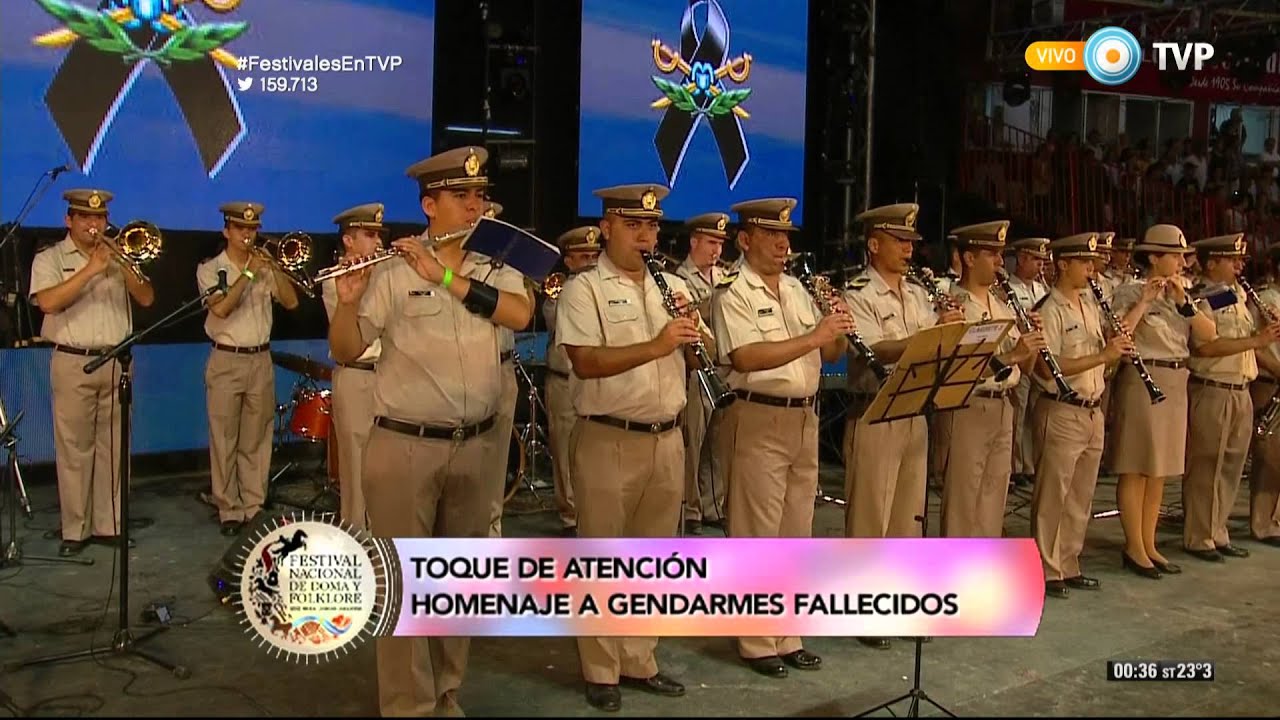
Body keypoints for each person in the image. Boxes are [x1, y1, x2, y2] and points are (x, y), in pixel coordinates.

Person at [328, 146, 534, 717]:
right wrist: (347, 305)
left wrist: (444, 275)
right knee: (403, 588)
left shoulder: (498, 266)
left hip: (478, 445)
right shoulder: (391, 273)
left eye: (479, 195)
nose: (476, 205)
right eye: (461, 196)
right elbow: (346, 349)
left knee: (458, 585)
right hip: (405, 445)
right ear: (429, 204)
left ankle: (446, 695)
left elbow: (519, 316)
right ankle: (407, 706)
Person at [555, 183, 701, 711]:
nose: (647, 236)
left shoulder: (671, 288)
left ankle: (639, 658)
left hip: (667, 436)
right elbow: (586, 362)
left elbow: (687, 357)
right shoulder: (584, 289)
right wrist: (659, 343)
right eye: (635, 226)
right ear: (607, 228)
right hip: (609, 435)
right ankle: (601, 668)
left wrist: (689, 341)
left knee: (652, 561)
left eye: (653, 226)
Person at [712, 197, 848, 677]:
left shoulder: (796, 287)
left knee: (796, 532)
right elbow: (745, 357)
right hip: (758, 415)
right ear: (745, 240)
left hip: (804, 418)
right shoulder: (734, 291)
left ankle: (787, 633)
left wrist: (838, 324)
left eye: (786, 236)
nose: (781, 245)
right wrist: (815, 336)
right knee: (757, 534)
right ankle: (755, 640)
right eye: (771, 236)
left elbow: (829, 353)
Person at [842, 203, 963, 650]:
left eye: (911, 242)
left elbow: (933, 348)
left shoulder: (918, 292)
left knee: (907, 519)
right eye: (899, 241)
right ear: (874, 245)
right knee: (871, 516)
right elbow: (871, 348)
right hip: (874, 410)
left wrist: (952, 330)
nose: (908, 250)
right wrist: (926, 338)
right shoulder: (857, 292)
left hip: (915, 410)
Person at [1110, 224, 1246, 576]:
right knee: (1137, 464)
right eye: (1173, 255)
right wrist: (1145, 301)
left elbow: (1208, 333)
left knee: (1161, 469)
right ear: (1154, 257)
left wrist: (1182, 302)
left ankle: (1149, 542)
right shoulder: (1128, 291)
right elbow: (1119, 332)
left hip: (1176, 376)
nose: (1181, 262)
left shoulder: (1187, 294)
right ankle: (1133, 546)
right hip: (1143, 375)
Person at [29, 189, 155, 556]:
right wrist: (90, 270)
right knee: (75, 450)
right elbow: (48, 302)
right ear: (69, 220)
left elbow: (147, 298)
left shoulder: (118, 254)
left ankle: (109, 524)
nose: (94, 225)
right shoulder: (51, 258)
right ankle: (75, 529)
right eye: (85, 218)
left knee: (114, 447)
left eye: (99, 218)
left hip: (117, 361)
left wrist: (124, 265)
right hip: (73, 361)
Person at [1032, 232, 1131, 598]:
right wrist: (1103, 356)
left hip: (1092, 409)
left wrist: (1114, 346)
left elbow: (1105, 350)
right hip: (1062, 408)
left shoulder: (1091, 303)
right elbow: (1048, 367)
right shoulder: (1049, 308)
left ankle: (1069, 561)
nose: (1093, 268)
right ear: (1063, 264)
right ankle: (1045, 568)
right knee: (1052, 495)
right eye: (1085, 263)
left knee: (1081, 495)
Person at [197, 201, 300, 536]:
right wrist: (251, 272)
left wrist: (276, 270)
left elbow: (292, 302)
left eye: (252, 229)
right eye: (241, 229)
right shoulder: (210, 269)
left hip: (260, 358)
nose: (247, 235)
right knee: (225, 437)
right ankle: (228, 507)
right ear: (227, 230)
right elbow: (222, 309)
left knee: (257, 436)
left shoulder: (265, 266)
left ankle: (254, 504)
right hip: (227, 357)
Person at [939, 221, 1044, 538]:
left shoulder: (1002, 303)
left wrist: (1033, 340)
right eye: (992, 254)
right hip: (970, 404)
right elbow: (958, 369)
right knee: (963, 501)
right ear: (969, 258)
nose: (1001, 262)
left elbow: (1026, 370)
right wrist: (1012, 356)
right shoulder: (952, 304)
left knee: (993, 500)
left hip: (1004, 404)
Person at [1183, 234, 1280, 561]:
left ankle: (1217, 530)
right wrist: (1257, 339)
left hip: (1240, 388)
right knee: (1207, 465)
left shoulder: (1231, 294)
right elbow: (1206, 346)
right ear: (1211, 263)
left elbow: (1239, 337)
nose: (1240, 265)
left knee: (1231, 465)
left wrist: (1259, 339)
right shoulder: (1200, 296)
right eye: (1232, 260)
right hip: (1213, 387)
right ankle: (1199, 536)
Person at [320, 202, 387, 529]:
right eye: (369, 235)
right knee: (356, 468)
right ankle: (357, 543)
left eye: (378, 236)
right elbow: (356, 330)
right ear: (348, 240)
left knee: (387, 469)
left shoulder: (385, 272)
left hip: (390, 377)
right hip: (357, 376)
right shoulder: (337, 278)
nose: (378, 243)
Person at [543, 225, 602, 537]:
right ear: (568, 261)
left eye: (595, 255)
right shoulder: (558, 289)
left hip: (595, 380)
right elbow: (557, 325)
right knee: (565, 449)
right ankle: (569, 515)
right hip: (564, 380)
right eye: (583, 257)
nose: (591, 262)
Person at [675, 211, 731, 534]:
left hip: (724, 365)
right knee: (694, 440)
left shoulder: (724, 277)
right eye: (711, 242)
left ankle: (714, 504)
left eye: (721, 243)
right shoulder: (680, 279)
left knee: (718, 442)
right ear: (695, 241)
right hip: (697, 369)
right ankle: (692, 508)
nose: (717, 250)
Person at [484, 199, 527, 538]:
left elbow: (524, 313)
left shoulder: (507, 269)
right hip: (466, 370)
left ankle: (492, 529)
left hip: (501, 368)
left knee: (497, 457)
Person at [1004, 238, 1050, 485]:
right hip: (1019, 352)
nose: (1040, 266)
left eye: (1042, 260)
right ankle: (1014, 466)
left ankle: (1030, 463)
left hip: (1039, 355)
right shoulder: (1007, 289)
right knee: (1018, 411)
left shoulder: (1042, 290)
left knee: (1035, 411)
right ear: (1021, 259)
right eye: (1035, 259)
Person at [1250, 256, 1280, 547]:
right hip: (1269, 382)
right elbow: (1254, 345)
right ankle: (1263, 523)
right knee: (1269, 454)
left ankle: (1275, 519)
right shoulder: (1265, 299)